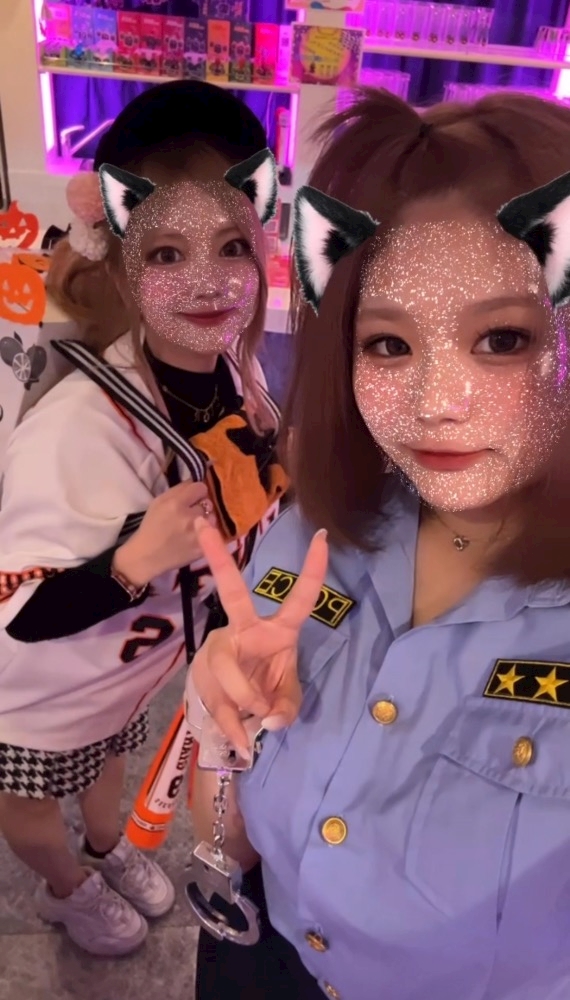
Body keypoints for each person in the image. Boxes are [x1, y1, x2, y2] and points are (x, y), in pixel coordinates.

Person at [184, 90, 570, 1000]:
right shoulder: (317, 533)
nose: (437, 402)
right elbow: (225, 842)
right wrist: (220, 724)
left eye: (502, 338)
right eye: (389, 345)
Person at [0, 80, 287, 957]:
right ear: (125, 261)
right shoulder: (78, 428)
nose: (207, 280)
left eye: (231, 245)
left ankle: (105, 847)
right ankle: (66, 887)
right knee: (31, 803)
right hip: (36, 694)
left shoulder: (230, 371)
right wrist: (131, 561)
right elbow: (16, 611)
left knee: (107, 769)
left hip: (128, 670)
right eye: (167, 253)